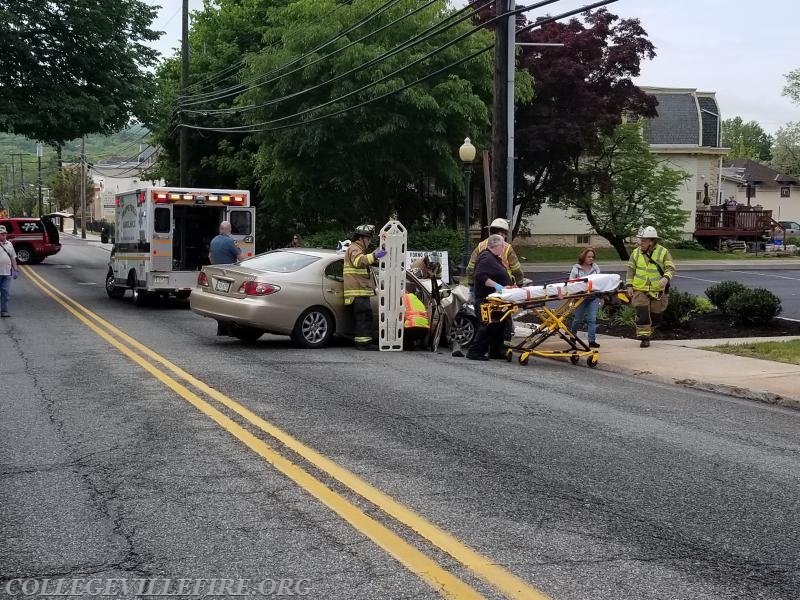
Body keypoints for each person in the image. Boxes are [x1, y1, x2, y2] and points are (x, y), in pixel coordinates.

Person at [465, 218, 524, 355]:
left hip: (489, 290)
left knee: (490, 320)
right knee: (500, 320)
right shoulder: (506, 247)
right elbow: (516, 269)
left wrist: (471, 286)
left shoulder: (481, 246)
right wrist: (519, 284)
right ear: (503, 233)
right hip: (500, 291)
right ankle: (496, 350)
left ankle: (493, 350)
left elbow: (470, 268)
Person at [625, 226, 675, 348]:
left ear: (651, 241)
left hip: (657, 290)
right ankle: (644, 338)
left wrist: (665, 278)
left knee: (656, 315)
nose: (639, 242)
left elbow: (670, 268)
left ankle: (648, 331)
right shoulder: (635, 253)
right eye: (640, 239)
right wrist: (629, 285)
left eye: (643, 240)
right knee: (642, 314)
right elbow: (630, 270)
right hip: (639, 289)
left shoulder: (663, 252)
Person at [466, 234, 511, 361]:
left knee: (498, 324)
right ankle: (475, 352)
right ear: (497, 245)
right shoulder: (486, 257)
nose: (504, 248)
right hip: (485, 300)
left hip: (495, 299)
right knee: (487, 325)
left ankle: (496, 351)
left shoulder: (494, 258)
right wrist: (497, 286)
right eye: (503, 245)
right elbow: (480, 276)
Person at [344, 224, 386, 350]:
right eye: (368, 239)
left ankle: (364, 342)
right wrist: (375, 255)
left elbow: (367, 259)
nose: (369, 241)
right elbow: (358, 261)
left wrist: (380, 249)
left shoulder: (358, 249)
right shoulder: (354, 248)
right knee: (364, 317)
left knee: (365, 317)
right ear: (360, 238)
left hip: (360, 291)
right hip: (357, 291)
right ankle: (363, 344)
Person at [569, 247, 601, 348]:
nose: (591, 259)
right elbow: (571, 282)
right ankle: (572, 336)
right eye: (589, 257)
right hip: (580, 297)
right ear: (583, 257)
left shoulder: (596, 268)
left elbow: (599, 282)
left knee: (592, 319)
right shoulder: (576, 268)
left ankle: (592, 341)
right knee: (578, 319)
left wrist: (601, 297)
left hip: (593, 296)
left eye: (592, 257)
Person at [0, 225, 19, 317]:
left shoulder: (9, 244)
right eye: (1, 234)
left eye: (4, 234)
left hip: (7, 273)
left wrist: (15, 269)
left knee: (5, 293)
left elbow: (13, 257)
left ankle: (4, 311)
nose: (3, 236)